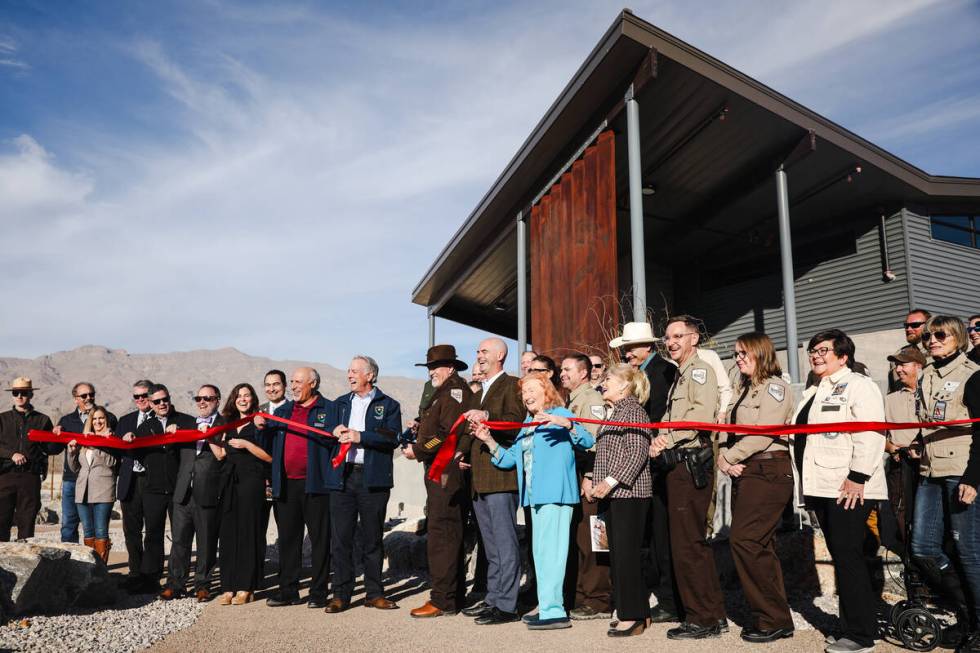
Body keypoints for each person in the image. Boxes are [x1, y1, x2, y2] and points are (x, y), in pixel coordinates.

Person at [474, 372, 594, 630]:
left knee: (553, 553)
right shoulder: (528, 423)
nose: (526, 396)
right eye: (524, 392)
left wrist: (567, 424)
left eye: (531, 390)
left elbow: (588, 440)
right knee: (540, 554)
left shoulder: (561, 413)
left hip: (556, 494)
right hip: (534, 497)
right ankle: (548, 607)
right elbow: (510, 460)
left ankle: (554, 611)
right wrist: (489, 440)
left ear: (546, 391)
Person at [791, 329, 886, 653]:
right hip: (821, 486)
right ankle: (852, 627)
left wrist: (858, 476)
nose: (816, 355)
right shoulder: (813, 390)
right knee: (843, 556)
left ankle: (861, 636)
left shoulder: (859, 385)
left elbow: (871, 432)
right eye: (813, 350)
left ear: (843, 356)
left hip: (848, 487)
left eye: (824, 350)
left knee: (849, 557)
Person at [716, 333, 795, 643]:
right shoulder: (741, 390)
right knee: (759, 544)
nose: (738, 358)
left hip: (768, 468)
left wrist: (728, 456)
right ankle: (772, 618)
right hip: (746, 469)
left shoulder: (776, 387)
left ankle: (772, 616)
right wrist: (725, 458)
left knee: (745, 541)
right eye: (736, 353)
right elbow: (725, 425)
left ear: (761, 354)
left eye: (744, 353)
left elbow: (765, 433)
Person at [650, 315, 725, 639]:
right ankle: (712, 613)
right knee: (691, 542)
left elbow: (700, 416)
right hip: (678, 463)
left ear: (694, 338)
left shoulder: (698, 371)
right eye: (668, 337)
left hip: (689, 462)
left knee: (687, 545)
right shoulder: (682, 375)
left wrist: (667, 438)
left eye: (678, 335)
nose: (672, 342)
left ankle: (701, 619)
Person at [911, 316, 980, 652]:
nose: (932, 340)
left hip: (961, 469)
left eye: (940, 335)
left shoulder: (972, 373)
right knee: (923, 548)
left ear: (958, 338)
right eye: (928, 336)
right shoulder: (926, 374)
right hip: (929, 469)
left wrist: (973, 478)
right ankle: (967, 617)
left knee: (969, 553)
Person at [609, 320, 680, 622]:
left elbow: (663, 412)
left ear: (648, 346)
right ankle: (659, 594)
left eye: (630, 348)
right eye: (624, 349)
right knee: (650, 535)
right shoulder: (640, 373)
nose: (626, 353)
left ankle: (669, 599)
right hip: (647, 460)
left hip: (659, 455)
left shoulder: (663, 370)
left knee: (663, 533)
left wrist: (655, 441)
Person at [326, 356, 401, 613]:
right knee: (341, 539)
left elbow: (393, 438)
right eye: (348, 370)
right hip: (342, 477)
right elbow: (325, 432)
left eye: (355, 371)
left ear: (370, 375)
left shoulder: (389, 405)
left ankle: (374, 593)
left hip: (373, 480)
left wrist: (361, 437)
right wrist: (333, 431)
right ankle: (341, 594)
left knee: (372, 539)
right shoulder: (339, 404)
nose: (349, 375)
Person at [458, 337, 524, 625]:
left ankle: (507, 606)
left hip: (500, 477)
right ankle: (494, 598)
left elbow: (516, 420)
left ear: (500, 355)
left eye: (484, 351)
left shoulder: (512, 385)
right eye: (477, 352)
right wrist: (460, 450)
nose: (479, 356)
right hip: (479, 479)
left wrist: (487, 415)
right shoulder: (478, 391)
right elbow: (468, 427)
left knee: (505, 544)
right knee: (492, 546)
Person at [260, 367, 338, 608]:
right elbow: (268, 446)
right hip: (286, 484)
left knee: (319, 540)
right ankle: (288, 590)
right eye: (291, 382)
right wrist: (261, 428)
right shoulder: (283, 411)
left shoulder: (329, 409)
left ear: (312, 384)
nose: (292, 386)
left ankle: (318, 593)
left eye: (297, 382)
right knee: (288, 540)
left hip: (316, 485)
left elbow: (336, 445)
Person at [408, 345, 473, 618]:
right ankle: (450, 597)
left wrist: (419, 449)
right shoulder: (444, 392)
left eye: (436, 367)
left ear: (451, 367)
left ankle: (442, 599)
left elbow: (448, 434)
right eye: (429, 368)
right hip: (441, 469)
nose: (432, 372)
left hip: (446, 472)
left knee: (442, 533)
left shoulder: (454, 393)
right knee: (447, 532)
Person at [590, 363, 654, 637]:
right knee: (617, 554)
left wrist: (610, 481)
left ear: (625, 385)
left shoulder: (634, 411)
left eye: (608, 379)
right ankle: (633, 609)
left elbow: (638, 452)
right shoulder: (612, 412)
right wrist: (595, 481)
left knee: (627, 554)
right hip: (611, 494)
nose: (603, 382)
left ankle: (634, 615)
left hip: (629, 493)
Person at [161, 385, 227, 602]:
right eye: (198, 397)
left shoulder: (224, 424)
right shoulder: (187, 424)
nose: (202, 401)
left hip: (208, 491)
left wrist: (208, 435)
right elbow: (175, 455)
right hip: (183, 492)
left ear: (217, 400)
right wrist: (170, 436)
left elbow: (223, 456)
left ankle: (203, 584)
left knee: (206, 542)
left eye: (207, 398)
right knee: (179, 540)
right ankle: (175, 583)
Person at [129, 384, 197, 593]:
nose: (162, 404)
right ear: (150, 403)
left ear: (169, 398)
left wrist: (180, 433)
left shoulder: (186, 421)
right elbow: (138, 455)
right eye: (156, 401)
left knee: (181, 535)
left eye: (165, 399)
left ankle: (177, 582)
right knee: (153, 534)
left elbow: (194, 448)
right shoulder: (143, 428)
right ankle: (150, 579)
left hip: (180, 489)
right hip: (153, 489)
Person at [560, 354, 612, 621]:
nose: (562, 374)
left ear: (583, 373)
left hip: (591, 475)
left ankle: (600, 598)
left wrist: (591, 475)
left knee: (596, 537)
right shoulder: (574, 400)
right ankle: (584, 595)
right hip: (578, 474)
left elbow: (595, 440)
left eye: (567, 369)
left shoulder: (591, 399)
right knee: (583, 537)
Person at [217, 383, 272, 606]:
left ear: (253, 399)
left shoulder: (259, 422)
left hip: (252, 481)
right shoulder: (228, 424)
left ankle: (246, 586)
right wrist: (209, 438)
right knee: (229, 533)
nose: (242, 399)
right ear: (233, 399)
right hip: (229, 482)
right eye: (239, 396)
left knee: (249, 533)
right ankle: (228, 585)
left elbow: (268, 456)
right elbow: (221, 454)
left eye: (247, 395)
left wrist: (246, 444)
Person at [50, 382, 117, 543]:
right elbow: (53, 449)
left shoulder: (109, 418)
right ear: (75, 399)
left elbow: (116, 453)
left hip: (100, 482)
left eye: (91, 394)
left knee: (98, 527)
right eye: (84, 395)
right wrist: (55, 434)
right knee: (69, 523)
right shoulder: (67, 421)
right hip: (73, 480)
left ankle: (95, 565)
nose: (89, 398)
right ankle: (71, 564)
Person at [884, 346, 926, 550]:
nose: (898, 369)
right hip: (900, 468)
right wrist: (891, 448)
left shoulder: (930, 392)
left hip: (928, 468)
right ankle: (911, 566)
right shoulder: (889, 399)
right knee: (900, 516)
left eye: (903, 364)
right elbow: (876, 435)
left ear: (919, 366)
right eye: (896, 365)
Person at [0, 377, 53, 541]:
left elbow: (51, 449)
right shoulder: (2, 419)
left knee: (27, 521)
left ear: (31, 394)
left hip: (30, 476)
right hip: (5, 476)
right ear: (12, 395)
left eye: (23, 393)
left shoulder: (43, 420)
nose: (19, 396)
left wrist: (58, 437)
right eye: (16, 393)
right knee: (1, 520)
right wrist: (11, 454)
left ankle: (26, 562)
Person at [116, 379, 156, 592]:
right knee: (131, 530)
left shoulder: (161, 419)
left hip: (151, 480)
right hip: (129, 480)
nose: (140, 399)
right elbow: (114, 447)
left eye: (144, 395)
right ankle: (135, 572)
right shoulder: (125, 420)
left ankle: (150, 575)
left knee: (151, 530)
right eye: (137, 396)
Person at [66, 406, 118, 562]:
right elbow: (75, 468)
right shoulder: (84, 439)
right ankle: (90, 569)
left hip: (103, 490)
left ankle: (101, 571)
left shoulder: (111, 438)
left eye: (101, 418)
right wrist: (72, 452)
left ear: (106, 420)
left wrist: (97, 444)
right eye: (94, 419)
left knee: (101, 531)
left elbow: (112, 462)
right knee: (88, 532)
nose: (97, 421)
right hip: (83, 491)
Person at [889, 309, 933, 391]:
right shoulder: (898, 355)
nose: (908, 329)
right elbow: (892, 390)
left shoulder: (936, 353)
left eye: (915, 325)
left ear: (928, 326)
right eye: (906, 326)